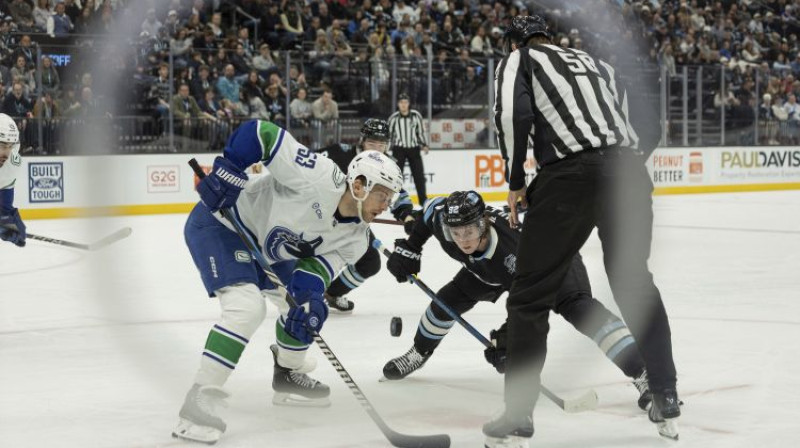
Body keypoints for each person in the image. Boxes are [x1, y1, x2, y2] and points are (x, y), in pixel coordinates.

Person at [486, 16, 680, 446]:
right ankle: (665, 392)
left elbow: (512, 117)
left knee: (531, 296)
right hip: (627, 173)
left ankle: (518, 415)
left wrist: (516, 180)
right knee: (634, 283)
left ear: (515, 42)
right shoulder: (598, 65)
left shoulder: (520, 59)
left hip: (570, 177)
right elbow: (649, 126)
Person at [173, 119, 404, 444]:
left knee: (299, 310)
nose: (385, 206)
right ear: (361, 185)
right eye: (382, 195)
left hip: (268, 253)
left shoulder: (357, 240)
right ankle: (198, 400)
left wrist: (310, 300)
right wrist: (229, 170)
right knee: (246, 309)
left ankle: (287, 374)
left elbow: (314, 272)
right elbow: (259, 133)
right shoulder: (319, 176)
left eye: (390, 198)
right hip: (223, 225)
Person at [383, 191, 651, 410]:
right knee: (445, 303)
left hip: (553, 261)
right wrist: (411, 248)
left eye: (470, 231)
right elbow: (430, 211)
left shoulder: (512, 249)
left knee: (581, 311)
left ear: (484, 223)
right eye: (457, 232)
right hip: (491, 270)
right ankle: (419, 352)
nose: (463, 239)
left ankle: (644, 372)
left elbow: (530, 305)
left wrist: (510, 338)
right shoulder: (446, 224)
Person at [312, 118, 417, 313]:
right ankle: (304, 288)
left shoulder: (387, 165)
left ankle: (331, 293)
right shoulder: (340, 153)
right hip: (319, 216)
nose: (377, 150)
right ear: (362, 140)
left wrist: (407, 216)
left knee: (370, 263)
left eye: (382, 145)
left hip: (353, 224)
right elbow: (308, 161)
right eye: (372, 143)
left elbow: (398, 195)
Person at [388, 92, 429, 206]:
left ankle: (423, 200)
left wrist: (424, 145)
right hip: (399, 150)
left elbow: (420, 132)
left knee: (419, 176)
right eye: (401, 102)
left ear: (409, 103)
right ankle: (392, 200)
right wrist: (385, 149)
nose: (403, 105)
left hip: (414, 149)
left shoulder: (416, 116)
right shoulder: (393, 118)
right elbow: (389, 136)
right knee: (396, 176)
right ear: (398, 104)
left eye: (405, 102)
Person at [0, 113, 25, 248]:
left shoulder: (13, 163)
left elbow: (5, 203)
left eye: (10, 146)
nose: (7, 153)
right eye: (3, 145)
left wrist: (7, 218)